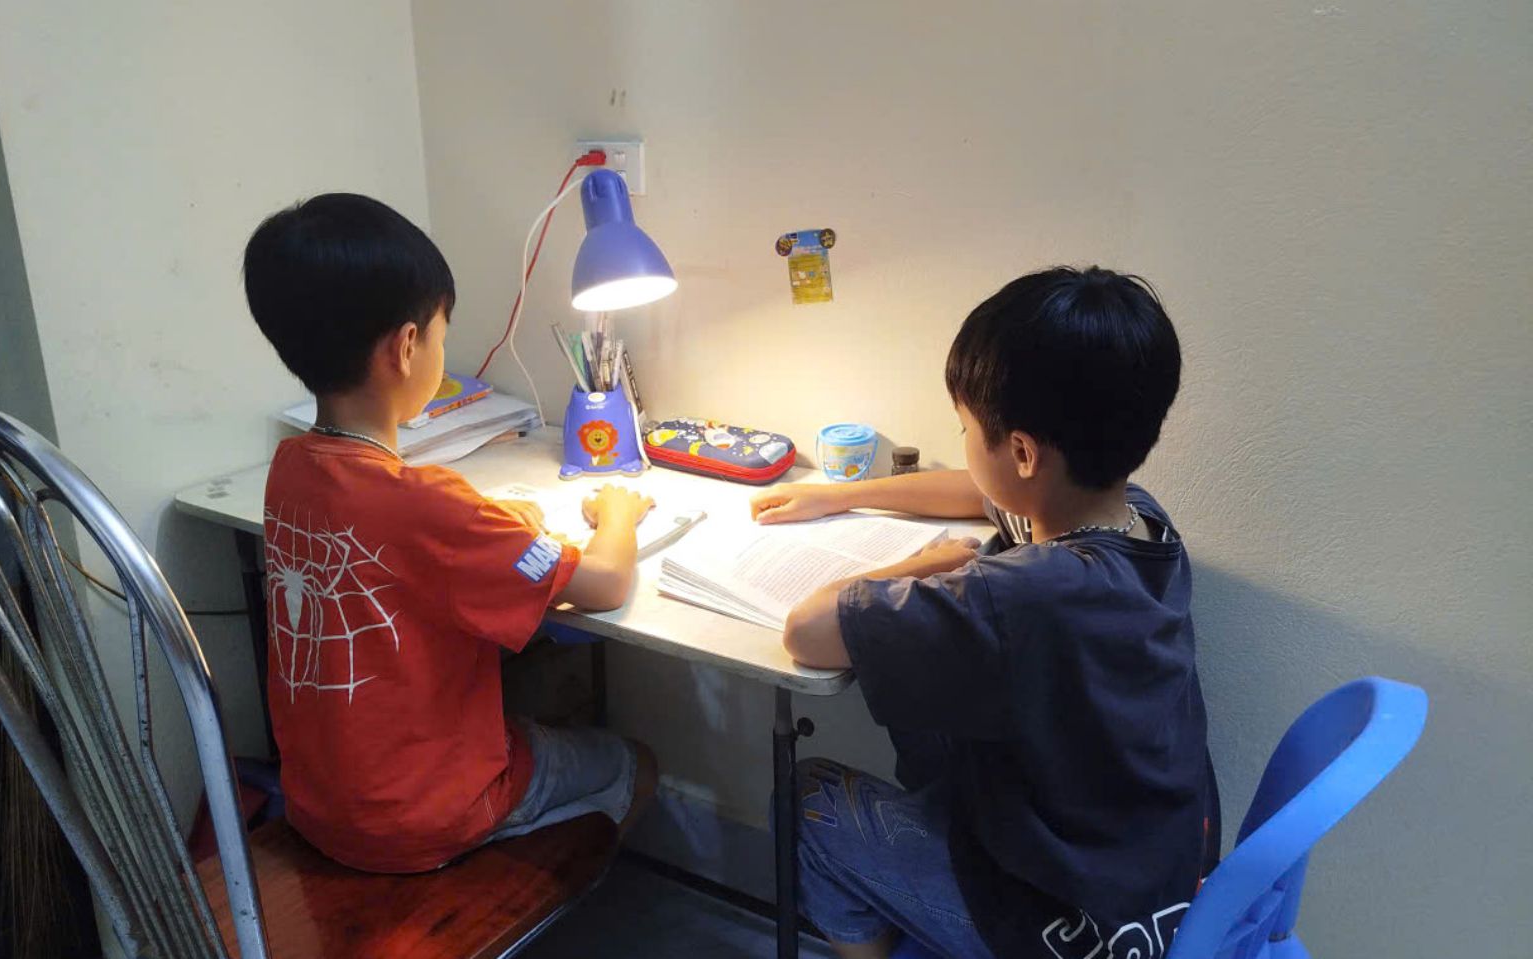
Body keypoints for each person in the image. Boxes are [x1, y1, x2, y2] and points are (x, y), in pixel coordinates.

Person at [753, 266, 1218, 958]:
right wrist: (842, 495)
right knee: (929, 729)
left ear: (1024, 451)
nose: (964, 445)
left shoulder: (1022, 594)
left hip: (1065, 922)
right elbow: (981, 496)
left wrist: (924, 564)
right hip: (1149, 879)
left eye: (967, 428)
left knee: (807, 797)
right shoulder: (1140, 522)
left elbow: (808, 630)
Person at [242, 192, 655, 873]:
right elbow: (606, 583)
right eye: (441, 329)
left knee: (536, 695)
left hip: (320, 800)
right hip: (422, 814)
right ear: (407, 346)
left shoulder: (291, 467)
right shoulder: (428, 503)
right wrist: (618, 512)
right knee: (631, 761)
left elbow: (419, 552)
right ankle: (518, 902)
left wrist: (500, 532)